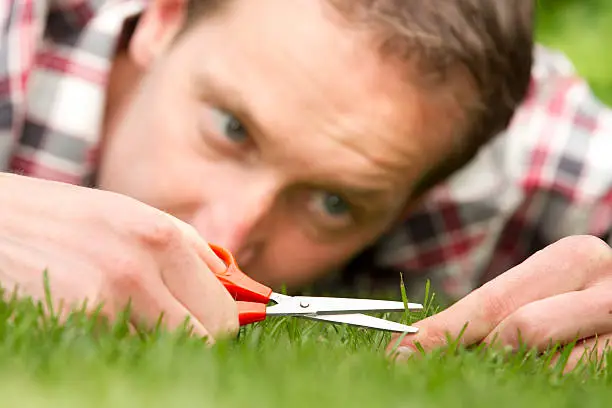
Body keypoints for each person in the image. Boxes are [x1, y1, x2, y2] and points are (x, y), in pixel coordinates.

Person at [1, 0, 610, 367]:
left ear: (421, 197)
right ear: (165, 16)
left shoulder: (493, 154)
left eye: (333, 203)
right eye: (232, 128)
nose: (224, 234)